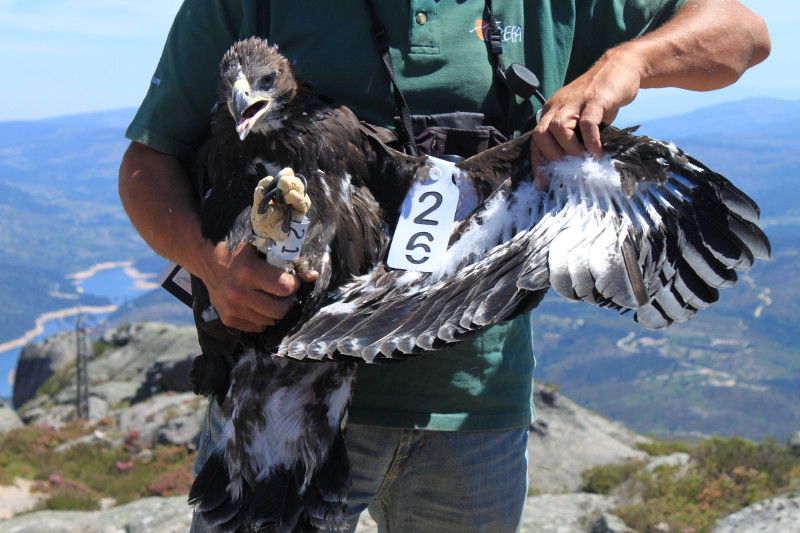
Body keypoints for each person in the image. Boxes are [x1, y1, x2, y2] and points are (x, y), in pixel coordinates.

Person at [119, 1, 769, 531]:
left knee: (632, 162)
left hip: (472, 414)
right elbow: (147, 164)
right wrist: (210, 263)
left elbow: (743, 33)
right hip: (285, 401)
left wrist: (629, 59)